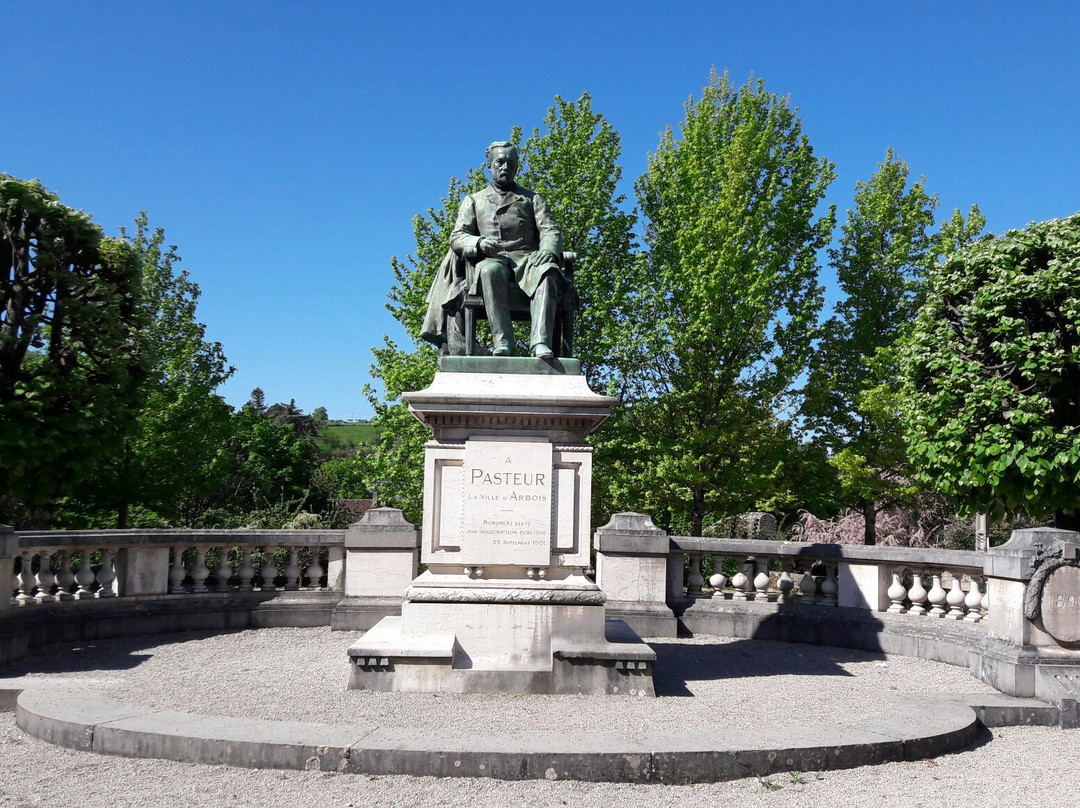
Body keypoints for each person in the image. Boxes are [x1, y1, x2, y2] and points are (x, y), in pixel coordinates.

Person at [448, 141, 564, 358]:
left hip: (527, 259)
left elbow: (550, 230)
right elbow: (457, 236)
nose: (505, 167)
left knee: (548, 271)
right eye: (500, 162)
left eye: (511, 163)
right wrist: (479, 243)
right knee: (489, 271)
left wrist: (548, 250)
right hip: (493, 258)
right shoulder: (474, 200)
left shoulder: (532, 199)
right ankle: (503, 343)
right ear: (490, 166)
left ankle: (540, 343)